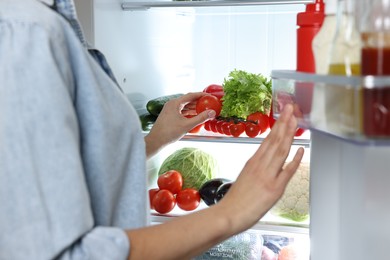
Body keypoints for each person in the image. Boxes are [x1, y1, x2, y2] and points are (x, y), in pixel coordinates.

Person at [0, 0, 305, 259]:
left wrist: (156, 139)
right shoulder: (26, 33)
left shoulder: (46, 23)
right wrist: (230, 214)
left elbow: (72, 178)